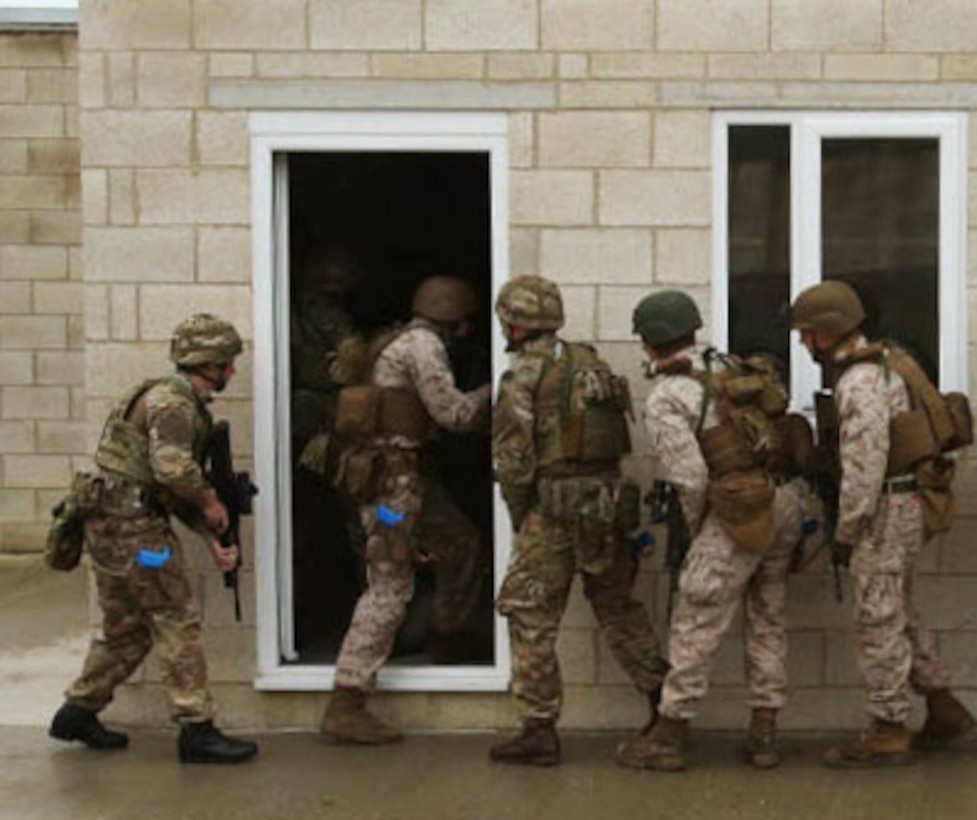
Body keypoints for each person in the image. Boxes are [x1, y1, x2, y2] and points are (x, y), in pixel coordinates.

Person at [48, 314, 258, 764]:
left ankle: (78, 711)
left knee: (127, 628)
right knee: (175, 618)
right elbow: (173, 472)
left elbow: (160, 485)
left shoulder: (162, 396)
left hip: (113, 525)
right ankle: (196, 728)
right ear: (208, 362)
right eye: (226, 363)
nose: (231, 371)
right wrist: (210, 502)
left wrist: (209, 536)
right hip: (137, 534)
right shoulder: (173, 405)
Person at [617, 290, 805, 772]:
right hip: (782, 501)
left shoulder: (668, 395)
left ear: (649, 340)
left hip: (737, 511)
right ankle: (764, 732)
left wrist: (701, 528)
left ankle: (670, 733)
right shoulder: (726, 367)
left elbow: (692, 479)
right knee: (767, 615)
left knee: (696, 617)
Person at [791, 280, 975, 768]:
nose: (803, 343)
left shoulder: (860, 381)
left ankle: (889, 729)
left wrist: (847, 531)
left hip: (883, 511)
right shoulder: (886, 364)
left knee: (876, 619)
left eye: (807, 333)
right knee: (897, 611)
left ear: (829, 330)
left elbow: (864, 467)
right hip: (900, 504)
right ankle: (945, 708)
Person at [489, 275, 668, 767]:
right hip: (606, 504)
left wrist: (521, 512)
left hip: (554, 509)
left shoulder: (524, 375)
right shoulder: (589, 361)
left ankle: (538, 729)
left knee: (528, 611)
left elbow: (513, 459)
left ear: (513, 323)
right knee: (617, 606)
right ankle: (665, 705)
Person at [320, 275, 493, 744]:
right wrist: (496, 387)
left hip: (405, 479)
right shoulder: (422, 345)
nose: (466, 331)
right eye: (464, 322)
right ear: (451, 317)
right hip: (392, 491)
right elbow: (454, 414)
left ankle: (449, 634)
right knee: (390, 584)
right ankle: (347, 699)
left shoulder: (394, 339)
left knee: (461, 542)